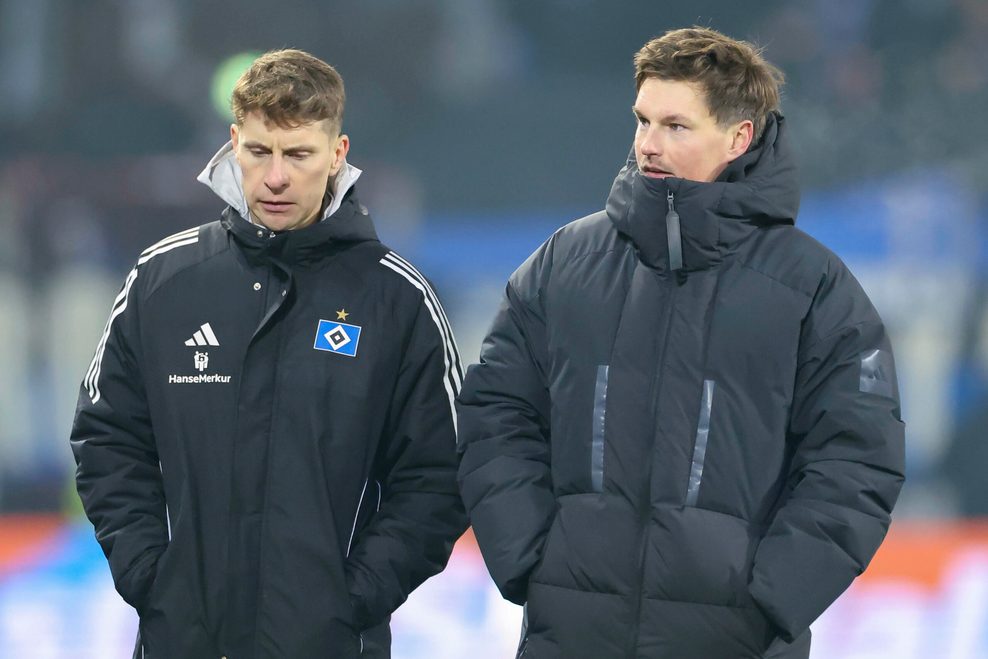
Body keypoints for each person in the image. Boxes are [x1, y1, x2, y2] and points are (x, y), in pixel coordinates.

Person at [457, 27, 905, 659]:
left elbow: (857, 460)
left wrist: (771, 597)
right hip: (573, 633)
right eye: (642, 121)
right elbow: (495, 412)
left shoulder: (814, 289)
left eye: (676, 126)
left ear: (739, 137)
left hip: (735, 641)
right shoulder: (565, 263)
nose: (648, 144)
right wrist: (531, 557)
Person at [71, 49, 466, 659]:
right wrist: (150, 573)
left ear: (337, 155)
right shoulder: (163, 281)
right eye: (258, 152)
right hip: (183, 638)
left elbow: (439, 477)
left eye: (298, 154)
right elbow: (107, 437)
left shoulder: (397, 300)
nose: (275, 177)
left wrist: (351, 598)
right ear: (233, 144)